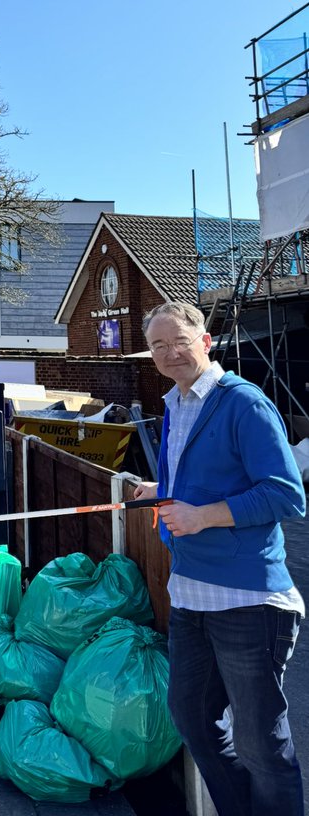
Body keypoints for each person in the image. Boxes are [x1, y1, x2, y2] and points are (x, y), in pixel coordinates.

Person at [133, 300, 305, 816]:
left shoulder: (243, 403)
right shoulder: (176, 403)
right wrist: (162, 489)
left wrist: (203, 516)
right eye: (158, 345)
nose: (168, 354)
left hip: (249, 600)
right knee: (192, 720)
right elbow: (209, 480)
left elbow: (285, 494)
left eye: (178, 342)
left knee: (261, 746)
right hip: (190, 595)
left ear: (205, 342)